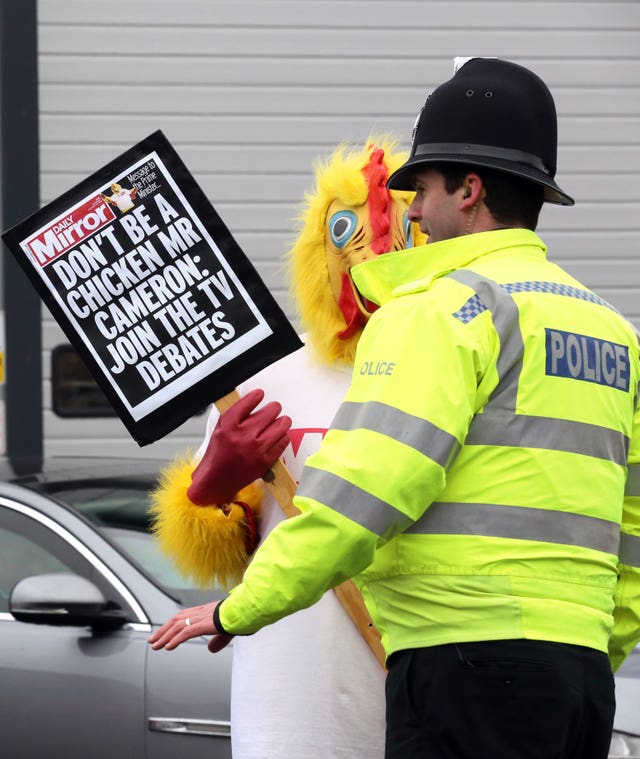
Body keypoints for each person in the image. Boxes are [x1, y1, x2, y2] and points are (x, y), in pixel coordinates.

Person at [149, 58, 640, 759]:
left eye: (424, 188)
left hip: (462, 668)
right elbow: (633, 528)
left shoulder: (437, 310)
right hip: (579, 678)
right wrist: (597, 646)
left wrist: (239, 609)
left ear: (470, 190)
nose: (411, 210)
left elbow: (363, 492)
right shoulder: (611, 329)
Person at [149, 138, 424, 758]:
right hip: (287, 696)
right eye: (345, 226)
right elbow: (217, 539)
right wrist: (214, 482)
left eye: (400, 223)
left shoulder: (457, 364)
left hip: (420, 685)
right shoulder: (272, 372)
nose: (369, 248)